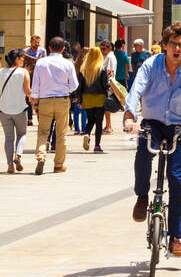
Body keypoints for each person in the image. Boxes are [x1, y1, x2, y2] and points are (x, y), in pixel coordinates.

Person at [124, 23, 181, 258]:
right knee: (143, 155)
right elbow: (136, 91)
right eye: (173, 44)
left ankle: (176, 238)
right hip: (153, 122)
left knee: (177, 180)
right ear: (165, 45)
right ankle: (142, 196)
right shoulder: (151, 65)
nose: (177, 49)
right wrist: (130, 117)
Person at [30, 36, 78, 174]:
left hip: (45, 100)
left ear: (49, 48)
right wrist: (65, 90)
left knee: (43, 131)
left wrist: (35, 99)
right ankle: (58, 165)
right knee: (61, 133)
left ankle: (41, 156)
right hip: (62, 100)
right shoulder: (68, 63)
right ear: (63, 49)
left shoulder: (41, 63)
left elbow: (36, 83)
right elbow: (74, 85)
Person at [0, 50, 31, 172]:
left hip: (4, 110)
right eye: (22, 58)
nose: (23, 60)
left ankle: (10, 165)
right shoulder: (23, 72)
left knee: (8, 138)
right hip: (20, 108)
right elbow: (28, 91)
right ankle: (17, 156)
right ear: (17, 59)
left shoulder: (0, 72)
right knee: (21, 134)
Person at [78, 46, 110, 153]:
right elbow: (105, 85)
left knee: (90, 120)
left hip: (87, 98)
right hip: (100, 98)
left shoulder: (83, 69)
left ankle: (87, 133)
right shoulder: (102, 69)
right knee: (99, 122)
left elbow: (80, 87)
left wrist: (80, 100)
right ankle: (97, 146)